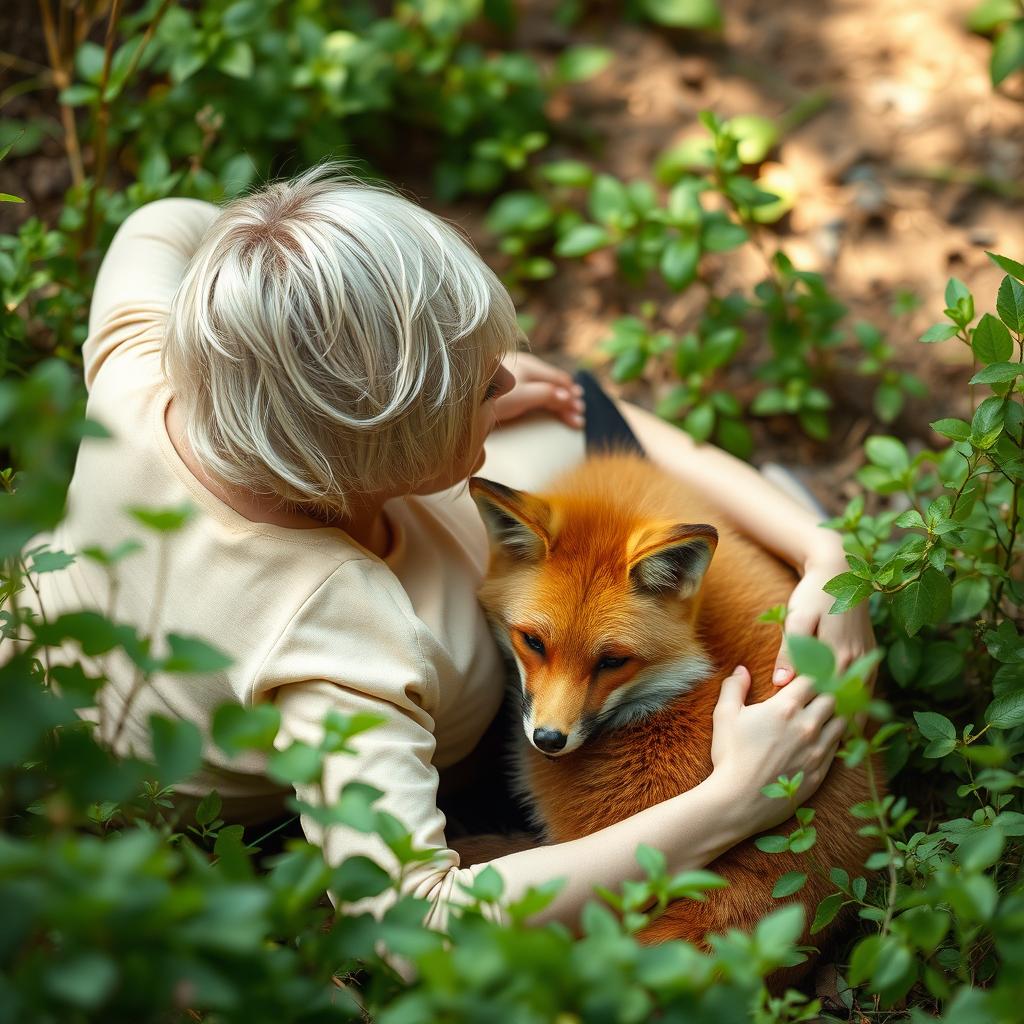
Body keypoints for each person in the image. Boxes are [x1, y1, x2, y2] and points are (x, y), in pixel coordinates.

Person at [30, 161, 873, 930]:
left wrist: (826, 551)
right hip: (328, 712)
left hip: (107, 618)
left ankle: (780, 523)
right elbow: (413, 923)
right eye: (477, 384)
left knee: (560, 414)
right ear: (380, 446)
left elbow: (167, 217)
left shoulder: (144, 368)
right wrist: (734, 800)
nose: (506, 376)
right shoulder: (337, 635)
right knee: (562, 441)